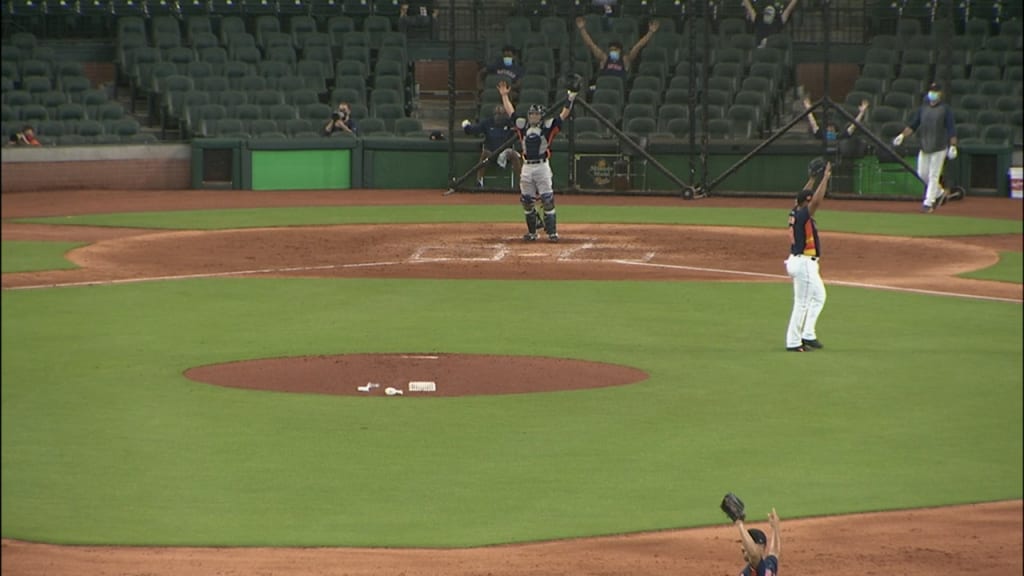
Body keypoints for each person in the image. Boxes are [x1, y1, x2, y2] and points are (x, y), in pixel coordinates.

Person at [500, 80, 577, 242]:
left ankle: (552, 232)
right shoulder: (523, 125)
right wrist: (505, 96)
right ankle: (533, 232)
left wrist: (571, 97)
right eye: (531, 114)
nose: (533, 117)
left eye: (536, 114)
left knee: (547, 199)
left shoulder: (548, 126)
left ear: (541, 116)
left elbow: (564, 114)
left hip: (542, 166)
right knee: (527, 201)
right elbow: (511, 112)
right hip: (527, 167)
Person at [785, 160, 832, 352]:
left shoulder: (795, 210)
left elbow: (802, 197)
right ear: (807, 202)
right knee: (802, 303)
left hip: (801, 262)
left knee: (819, 296)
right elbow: (817, 201)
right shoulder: (804, 214)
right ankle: (794, 342)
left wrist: (812, 178)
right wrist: (826, 177)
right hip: (803, 262)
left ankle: (808, 334)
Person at [891, 82, 958, 213]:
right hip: (925, 146)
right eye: (931, 91)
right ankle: (939, 192)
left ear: (940, 94)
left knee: (934, 175)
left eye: (936, 91)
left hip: (939, 146)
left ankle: (928, 203)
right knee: (922, 173)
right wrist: (902, 136)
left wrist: (953, 145)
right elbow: (913, 125)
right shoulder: (923, 108)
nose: (933, 94)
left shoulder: (945, 109)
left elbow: (951, 128)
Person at [461, 88, 521, 189]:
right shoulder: (487, 123)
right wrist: (466, 126)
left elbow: (520, 131)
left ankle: (522, 183)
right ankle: (479, 181)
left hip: (505, 152)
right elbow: (473, 130)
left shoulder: (510, 123)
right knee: (485, 154)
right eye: (497, 114)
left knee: (514, 155)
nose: (499, 116)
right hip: (491, 152)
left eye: (501, 114)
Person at [575, 16, 660, 79]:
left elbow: (638, 46)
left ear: (620, 51)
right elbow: (591, 45)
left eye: (615, 50)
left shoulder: (625, 60)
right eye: (611, 50)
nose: (612, 51)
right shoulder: (604, 58)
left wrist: (650, 32)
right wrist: (582, 29)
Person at [734, 508, 781, 576]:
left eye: (747, 544)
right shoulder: (770, 564)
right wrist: (775, 528)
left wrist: (740, 524)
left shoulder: (754, 569)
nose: (742, 548)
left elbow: (754, 555)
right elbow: (775, 551)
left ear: (761, 547)